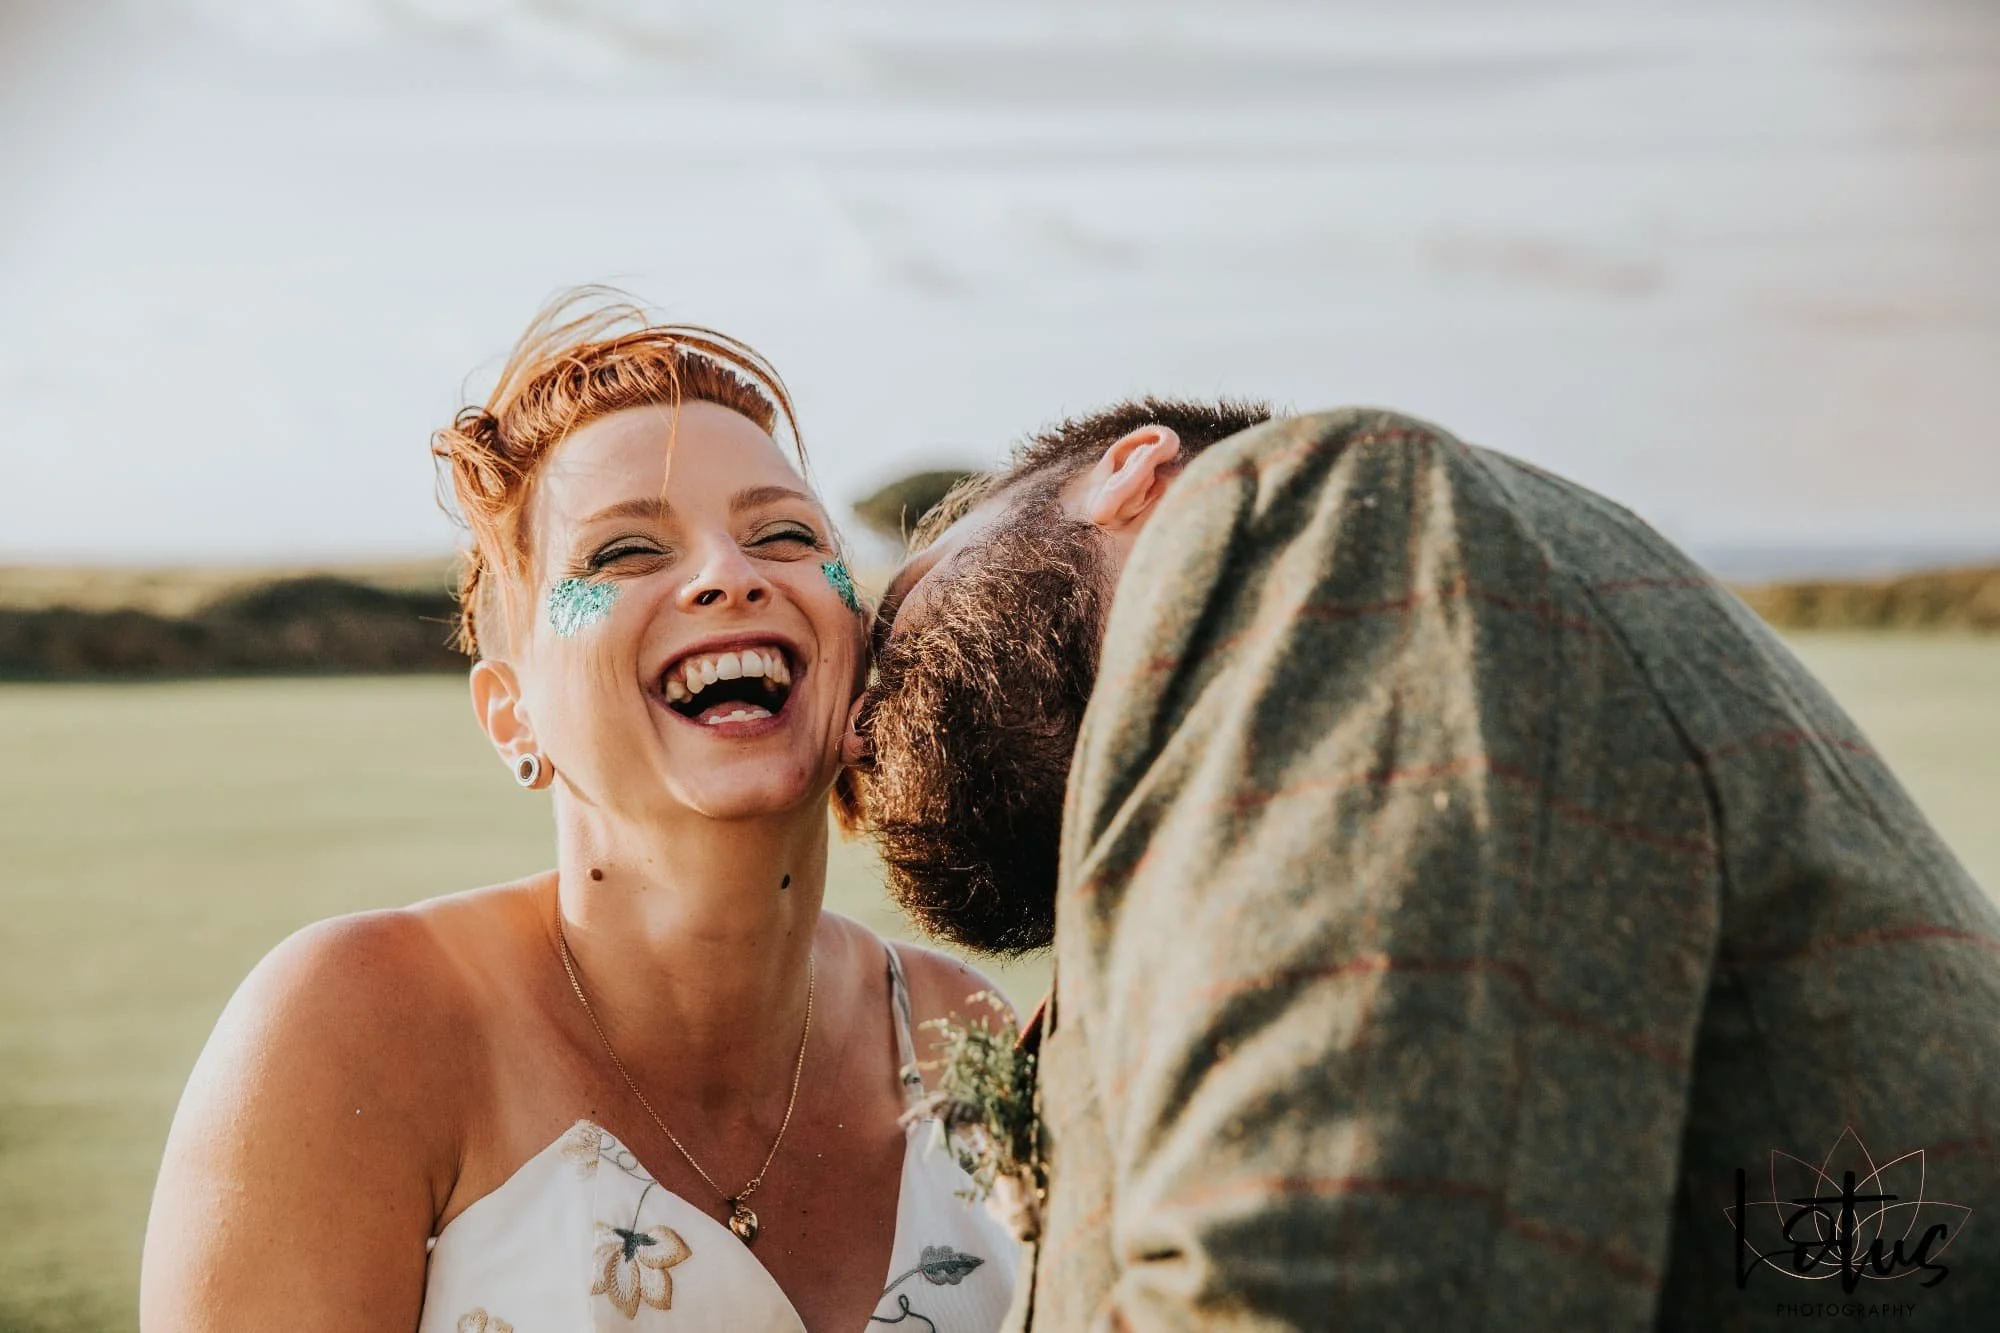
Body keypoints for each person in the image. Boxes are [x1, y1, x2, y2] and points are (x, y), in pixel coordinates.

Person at [847, 400, 2000, 1330]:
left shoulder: (1324, 515)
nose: (862, 679)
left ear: (1131, 471)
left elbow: (1317, 1281)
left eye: (896, 601)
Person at [141, 296, 1019, 1332]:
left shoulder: (969, 1036)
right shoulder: (354, 1027)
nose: (729, 576)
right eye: (623, 553)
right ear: (510, 713)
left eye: (783, 534)